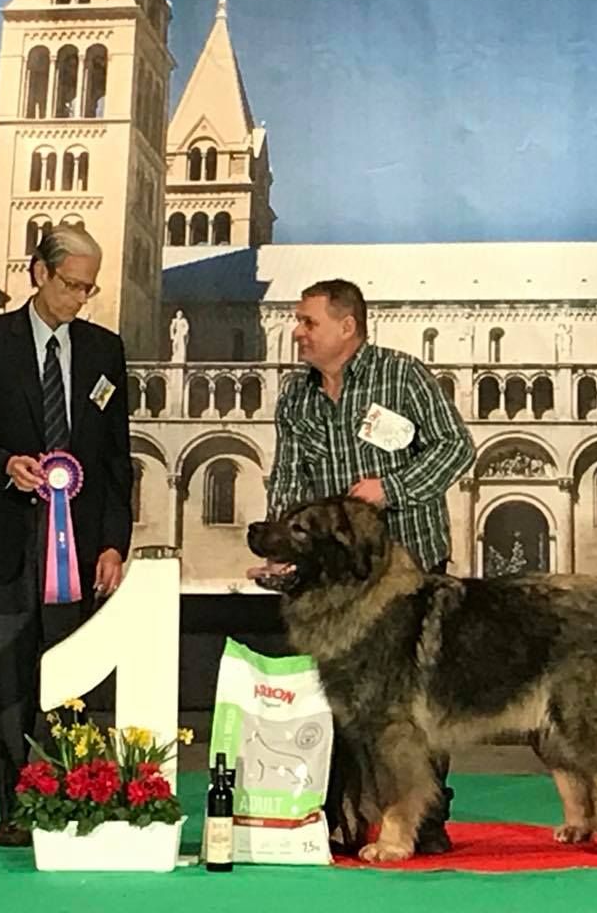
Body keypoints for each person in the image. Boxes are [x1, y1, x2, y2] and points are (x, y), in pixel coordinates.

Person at [256, 278, 476, 854]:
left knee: (414, 701)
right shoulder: (296, 397)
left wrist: (391, 488)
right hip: (335, 583)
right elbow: (288, 478)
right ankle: (347, 814)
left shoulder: (401, 376)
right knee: (347, 700)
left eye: (308, 322)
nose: (298, 332)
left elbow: (455, 447)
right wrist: (282, 542)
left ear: (346, 326)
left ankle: (426, 817)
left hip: (408, 569)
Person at [0, 224, 132, 847]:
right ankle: (17, 810)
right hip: (5, 537)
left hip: (79, 547)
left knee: (73, 677)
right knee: (12, 682)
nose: (79, 298)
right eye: (71, 285)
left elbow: (116, 458)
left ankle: (73, 798)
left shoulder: (105, 350)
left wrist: (114, 542)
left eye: (88, 288)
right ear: (39, 272)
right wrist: (5, 465)